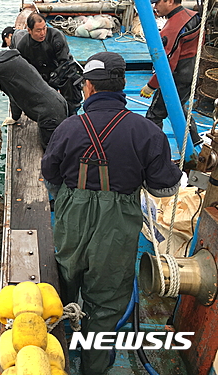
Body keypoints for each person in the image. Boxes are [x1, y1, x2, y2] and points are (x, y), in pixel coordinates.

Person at [41, 52, 182, 375]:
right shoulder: (147, 132)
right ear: (120, 87)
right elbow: (165, 189)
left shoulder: (67, 127)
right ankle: (95, 367)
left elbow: (50, 177)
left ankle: (54, 354)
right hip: (117, 225)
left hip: (72, 216)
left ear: (88, 88)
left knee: (63, 281)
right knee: (105, 304)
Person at [141, 0, 202, 146]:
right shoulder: (193, 16)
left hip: (176, 78)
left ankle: (153, 150)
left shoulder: (173, 28)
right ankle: (194, 140)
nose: (155, 7)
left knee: (154, 115)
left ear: (169, 1)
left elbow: (167, 63)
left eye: (157, 3)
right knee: (179, 107)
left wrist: (151, 86)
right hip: (192, 72)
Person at [16, 12, 83, 115]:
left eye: (44, 28)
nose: (43, 33)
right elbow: (22, 70)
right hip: (40, 75)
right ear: (29, 30)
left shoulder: (56, 36)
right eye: (38, 30)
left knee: (71, 80)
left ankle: (71, 113)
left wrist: (54, 81)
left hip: (61, 71)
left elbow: (65, 62)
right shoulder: (23, 45)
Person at [0, 26, 34, 126]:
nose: (8, 46)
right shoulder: (22, 34)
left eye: (6, 42)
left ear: (9, 36)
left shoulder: (18, 37)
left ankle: (17, 116)